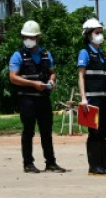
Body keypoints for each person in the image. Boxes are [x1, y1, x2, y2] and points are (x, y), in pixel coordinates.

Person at [7, 20, 67, 173]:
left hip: (43, 98)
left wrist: (52, 80)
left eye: (31, 37)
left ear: (38, 37)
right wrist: (33, 84)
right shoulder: (18, 55)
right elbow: (13, 77)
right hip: (27, 99)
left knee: (46, 131)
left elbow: (52, 72)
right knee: (28, 131)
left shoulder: (46, 54)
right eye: (25, 37)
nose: (28, 39)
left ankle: (51, 162)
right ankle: (28, 163)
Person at [78, 17, 106, 176]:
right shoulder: (85, 52)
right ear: (88, 35)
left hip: (103, 99)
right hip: (91, 99)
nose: (100, 35)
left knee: (103, 132)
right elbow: (81, 76)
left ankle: (103, 164)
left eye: (101, 32)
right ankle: (94, 166)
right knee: (94, 133)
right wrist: (83, 98)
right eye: (97, 32)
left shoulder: (102, 54)